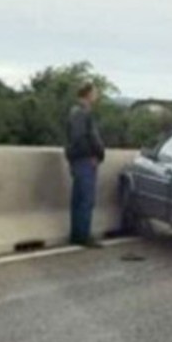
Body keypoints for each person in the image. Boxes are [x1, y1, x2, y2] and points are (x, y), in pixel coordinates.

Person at [64, 81, 105, 248]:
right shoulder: (82, 113)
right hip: (84, 160)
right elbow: (81, 138)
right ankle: (83, 234)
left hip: (77, 159)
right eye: (95, 92)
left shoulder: (75, 112)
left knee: (78, 198)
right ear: (88, 94)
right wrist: (94, 154)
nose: (97, 95)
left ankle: (77, 233)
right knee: (86, 199)